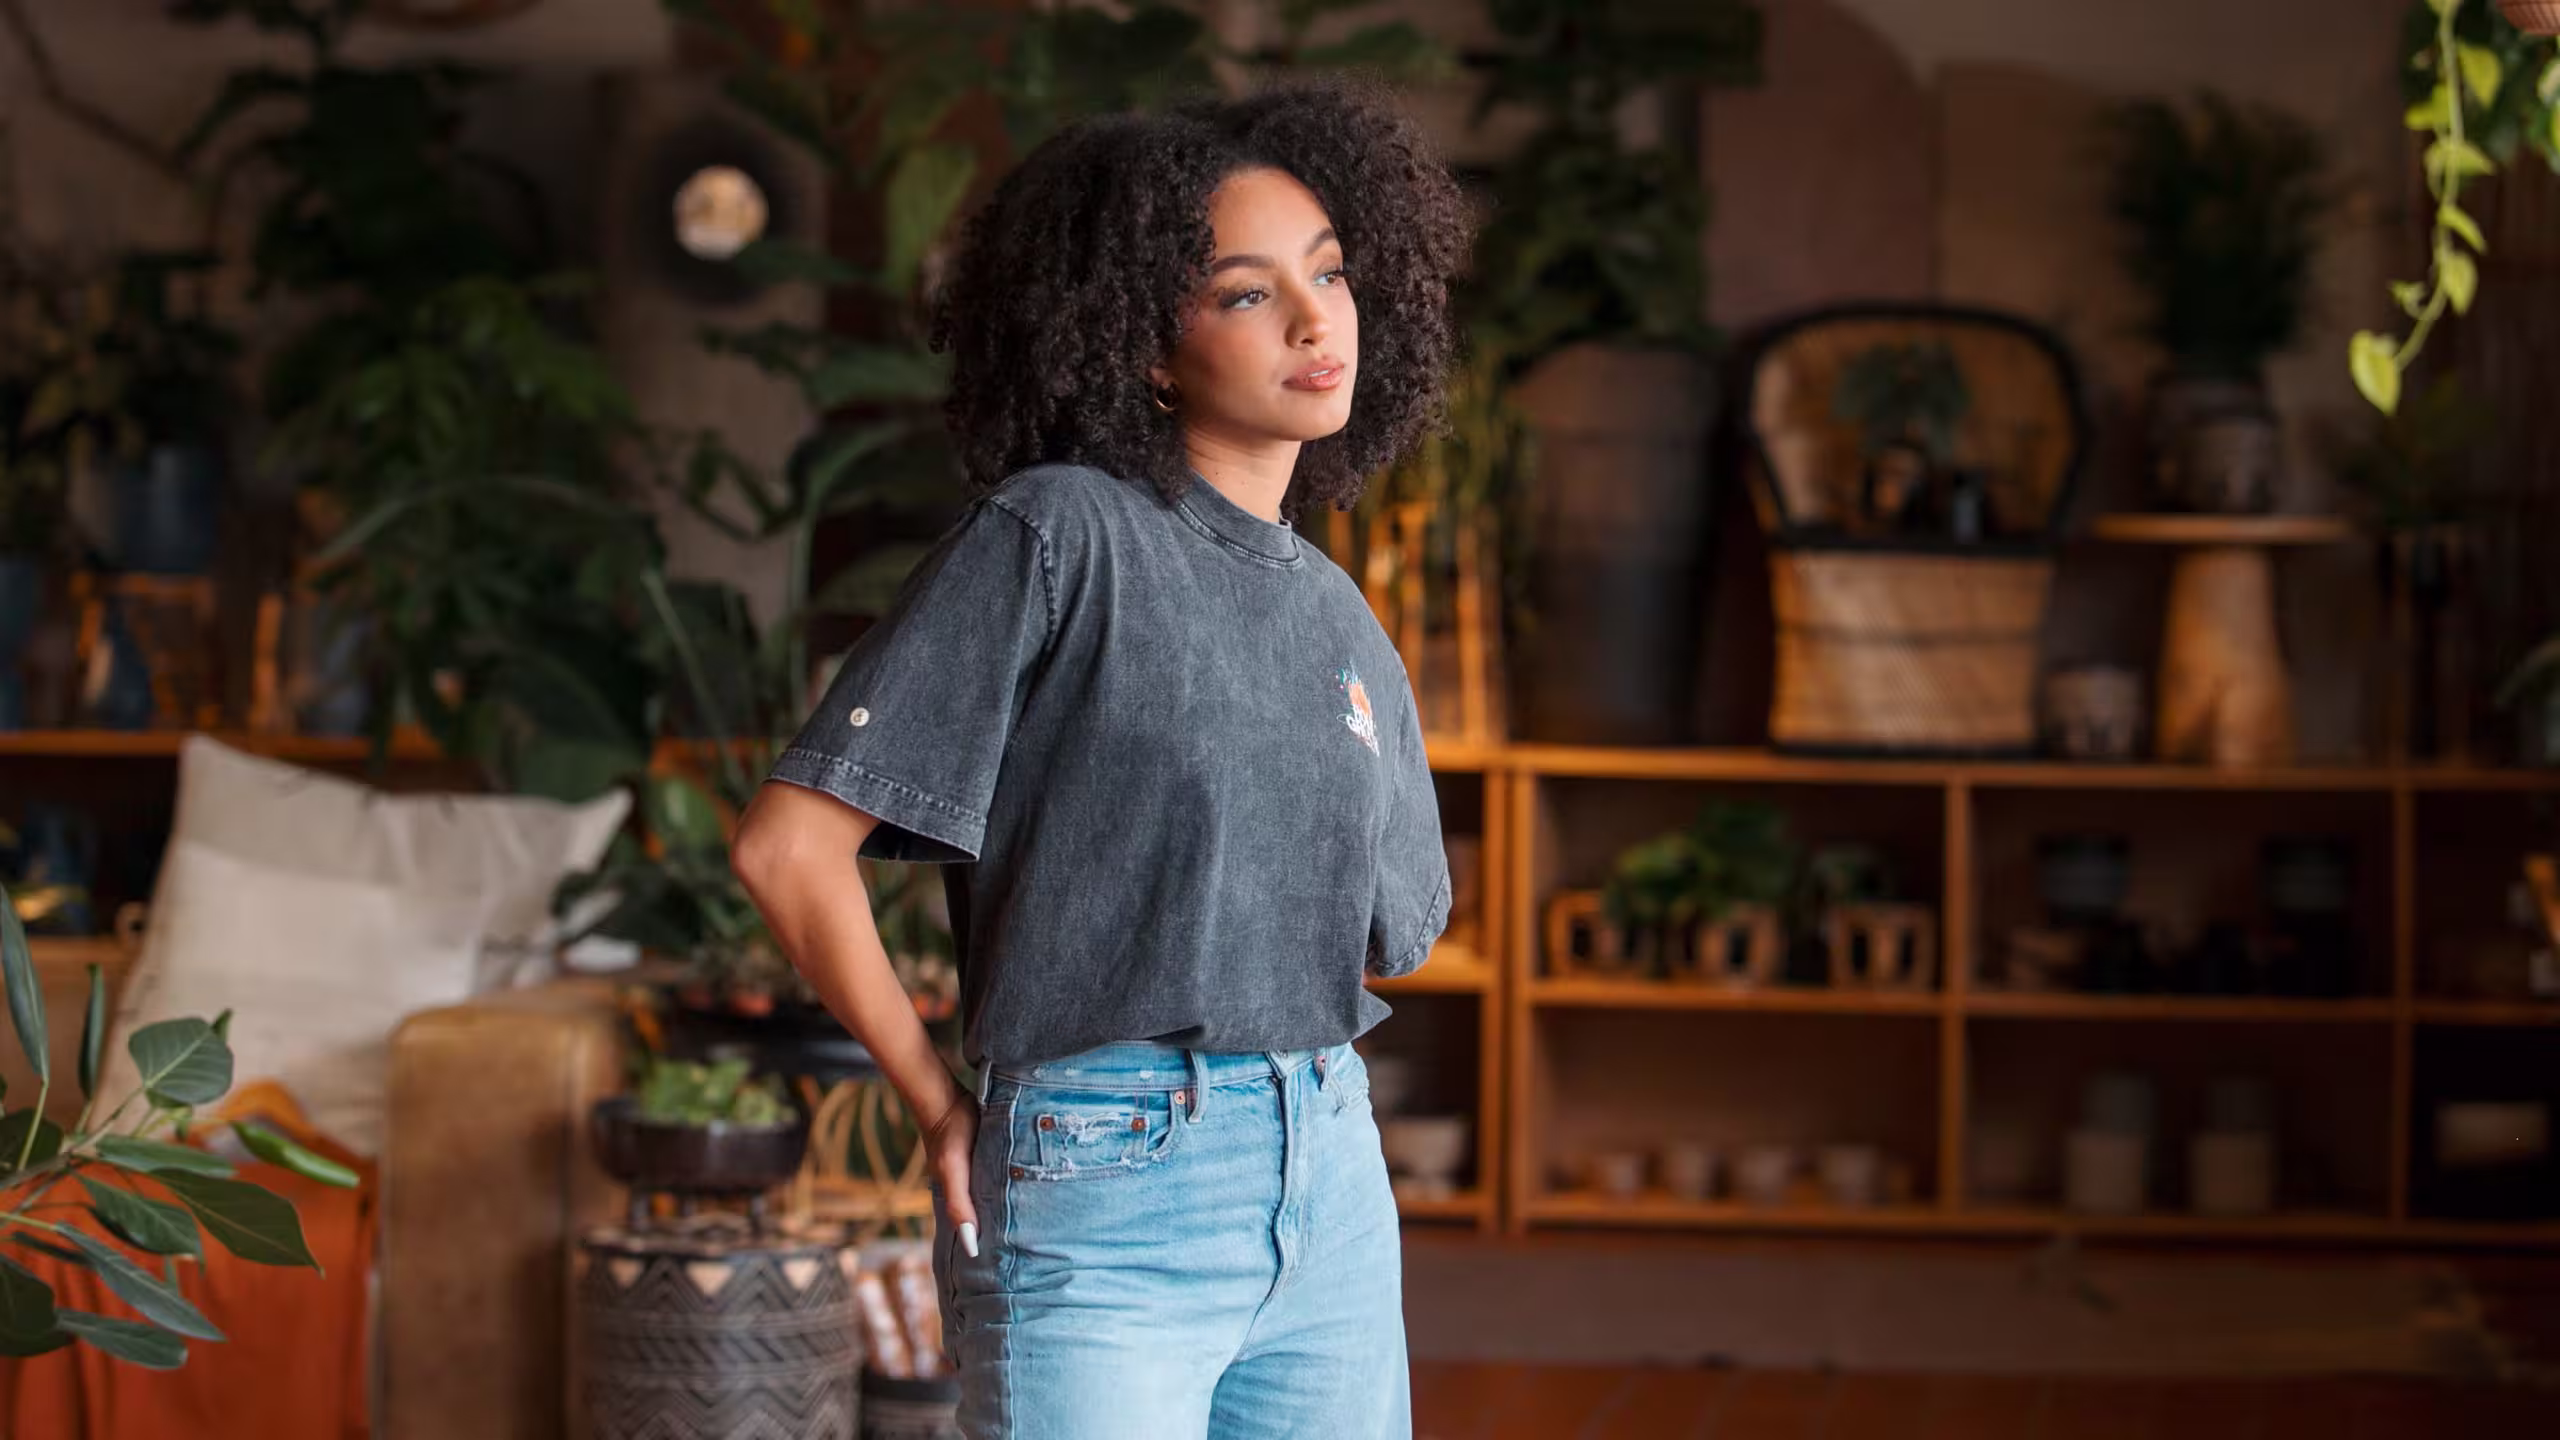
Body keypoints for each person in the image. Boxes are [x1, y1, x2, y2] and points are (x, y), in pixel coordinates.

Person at [730, 75, 1470, 1439]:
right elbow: (787, 850)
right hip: (1107, 1170)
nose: (1318, 322)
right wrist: (933, 1099)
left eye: (1332, 273)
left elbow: (1393, 931)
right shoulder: (1057, 536)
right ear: (1143, 342)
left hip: (1333, 1179)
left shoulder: (1338, 618)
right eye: (1247, 294)